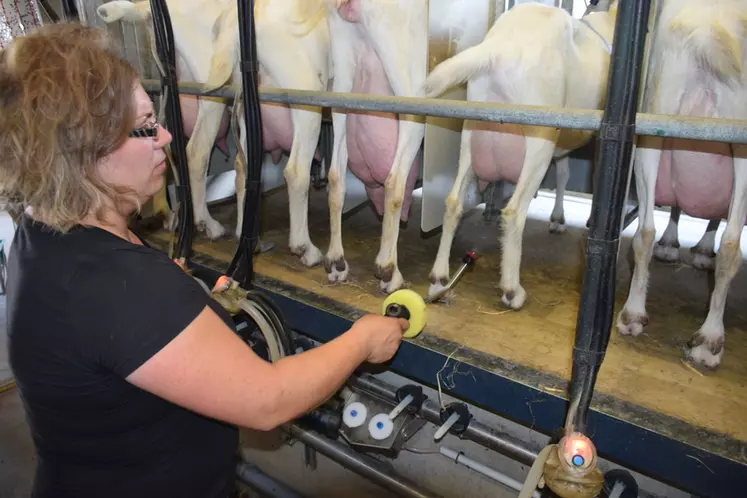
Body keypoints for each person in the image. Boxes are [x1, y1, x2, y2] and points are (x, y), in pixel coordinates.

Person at [0, 22, 408, 498]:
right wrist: (361, 340)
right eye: (145, 127)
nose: (167, 136)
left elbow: (111, 330)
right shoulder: (111, 284)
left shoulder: (47, 229)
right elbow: (268, 400)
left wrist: (171, 302)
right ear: (84, 151)